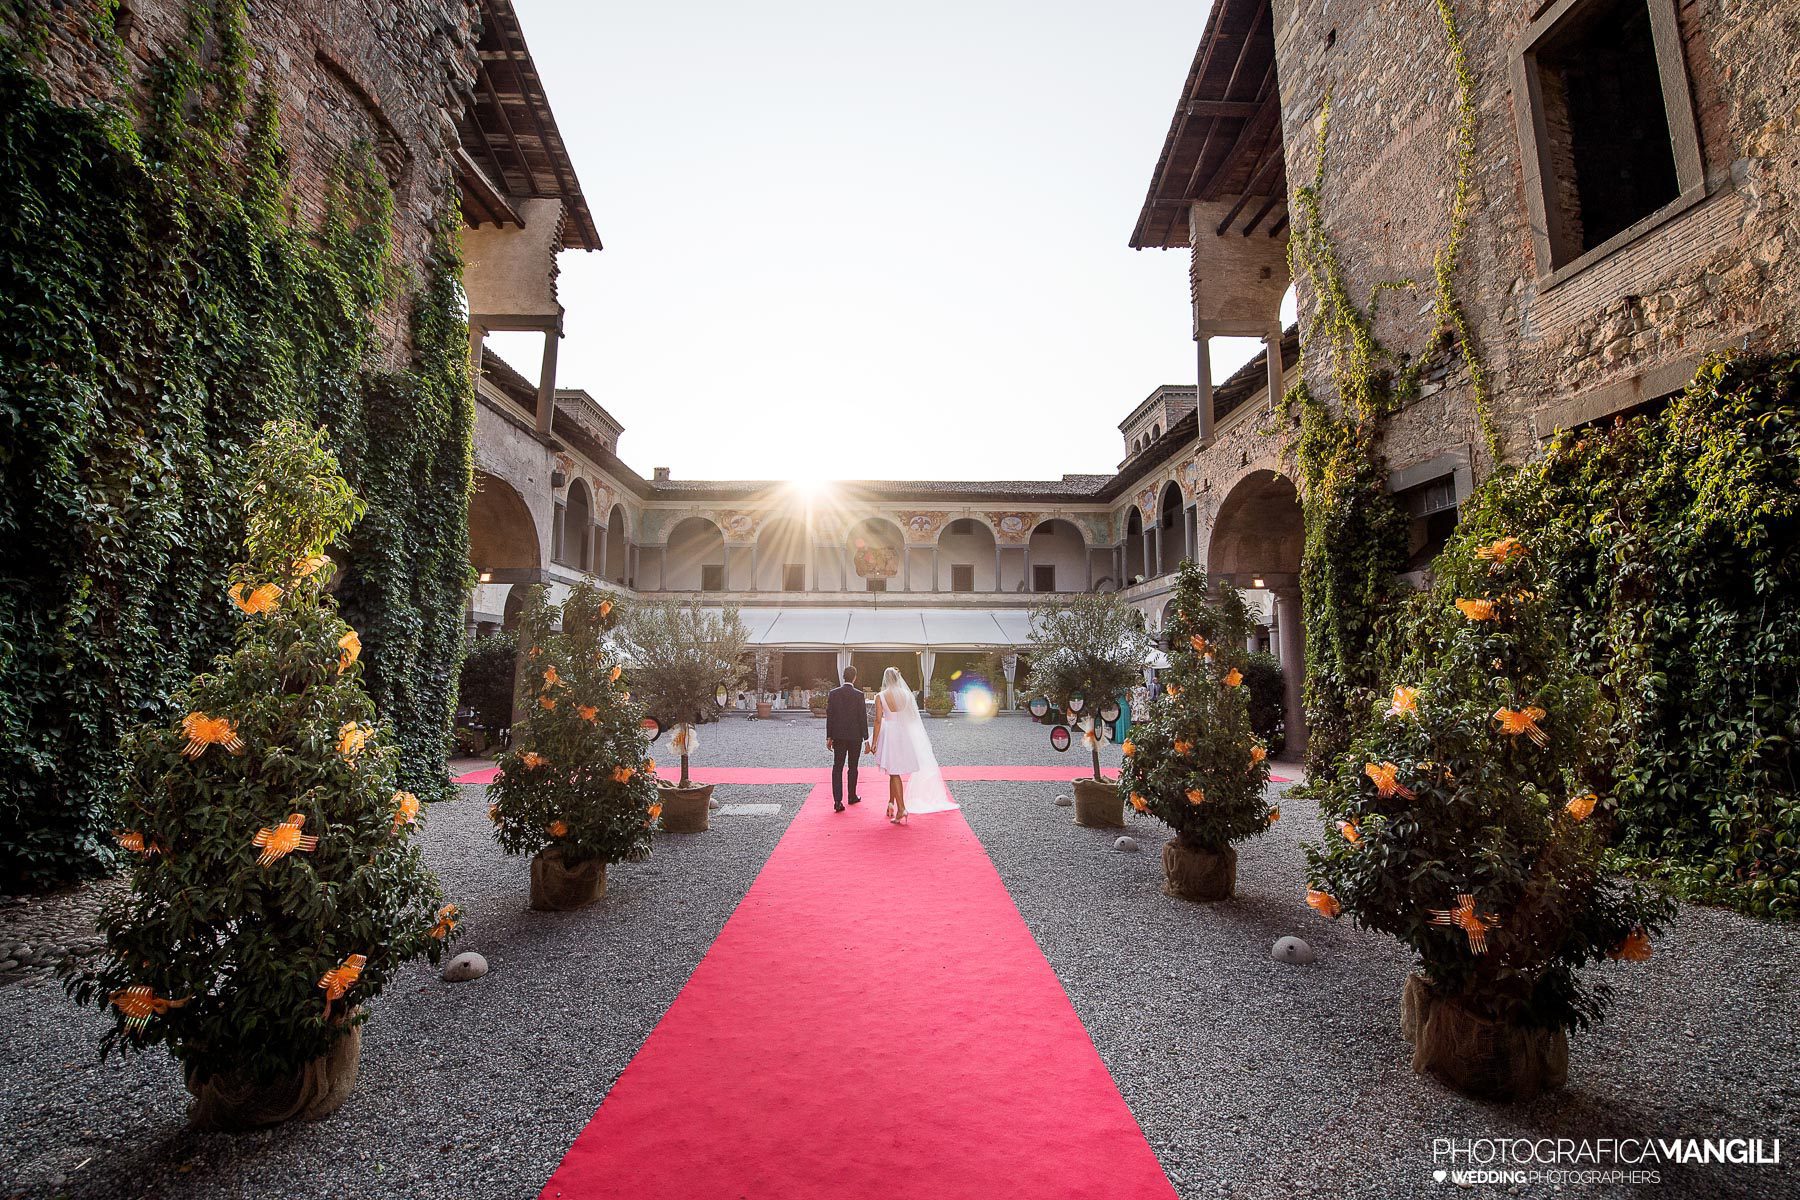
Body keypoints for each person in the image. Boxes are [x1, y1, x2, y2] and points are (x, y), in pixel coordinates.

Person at [865, 667, 955, 823]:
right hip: (904, 734)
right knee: (893, 771)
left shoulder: (881, 696)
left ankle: (901, 809)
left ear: (886, 679)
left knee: (893, 772)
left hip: (890, 735)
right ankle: (892, 803)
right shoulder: (907, 695)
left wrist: (874, 742)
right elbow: (913, 717)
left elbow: (878, 720)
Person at [824, 666, 867, 813]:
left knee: (838, 767)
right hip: (855, 736)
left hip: (839, 735)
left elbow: (830, 716)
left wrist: (829, 736)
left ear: (843, 677)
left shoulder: (834, 694)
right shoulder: (859, 695)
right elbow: (862, 718)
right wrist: (866, 738)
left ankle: (837, 801)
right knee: (853, 767)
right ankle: (852, 795)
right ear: (855, 677)